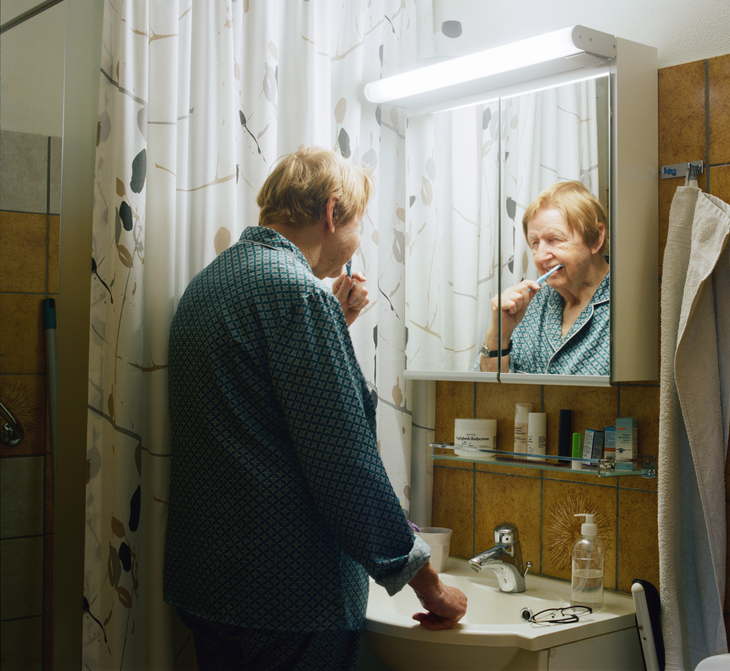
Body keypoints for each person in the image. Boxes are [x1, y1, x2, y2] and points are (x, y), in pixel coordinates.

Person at [163, 145, 467, 671]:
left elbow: (256, 410)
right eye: (359, 225)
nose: (355, 247)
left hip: (208, 586)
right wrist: (428, 582)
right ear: (332, 211)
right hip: (288, 599)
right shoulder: (299, 295)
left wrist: (335, 325)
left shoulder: (208, 285)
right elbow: (345, 466)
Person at [477, 181, 610, 375]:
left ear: (596, 238)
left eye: (554, 239)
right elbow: (489, 393)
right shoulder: (529, 304)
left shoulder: (629, 307)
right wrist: (499, 334)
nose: (540, 257)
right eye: (535, 243)